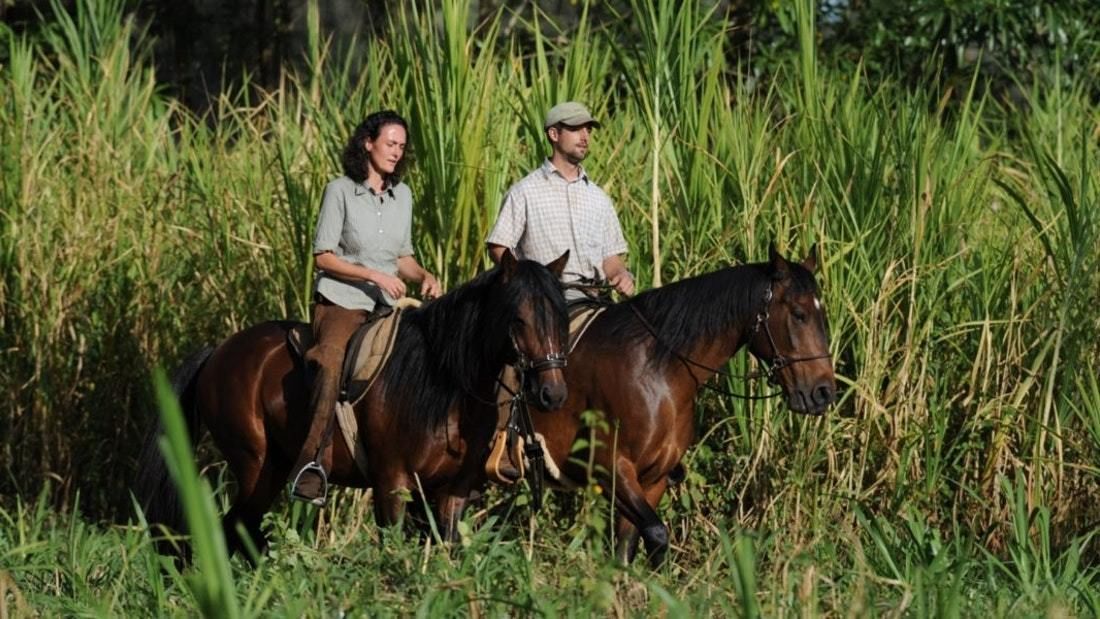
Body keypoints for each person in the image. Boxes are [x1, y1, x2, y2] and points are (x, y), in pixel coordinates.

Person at [290, 110, 441, 506]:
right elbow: (323, 256)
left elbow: (402, 258)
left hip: (387, 307)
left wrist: (423, 274)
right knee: (329, 362)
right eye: (390, 144)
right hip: (341, 302)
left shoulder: (402, 195)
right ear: (368, 143)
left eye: (402, 146)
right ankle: (312, 465)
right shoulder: (339, 190)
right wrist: (373, 276)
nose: (397, 152)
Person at [486, 101, 634, 299]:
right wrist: (525, 282)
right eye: (575, 129)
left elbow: (611, 258)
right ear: (554, 135)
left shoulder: (599, 198)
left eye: (588, 130)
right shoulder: (524, 192)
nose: (585, 137)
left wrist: (621, 274)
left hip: (597, 299)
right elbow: (498, 245)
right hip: (548, 301)